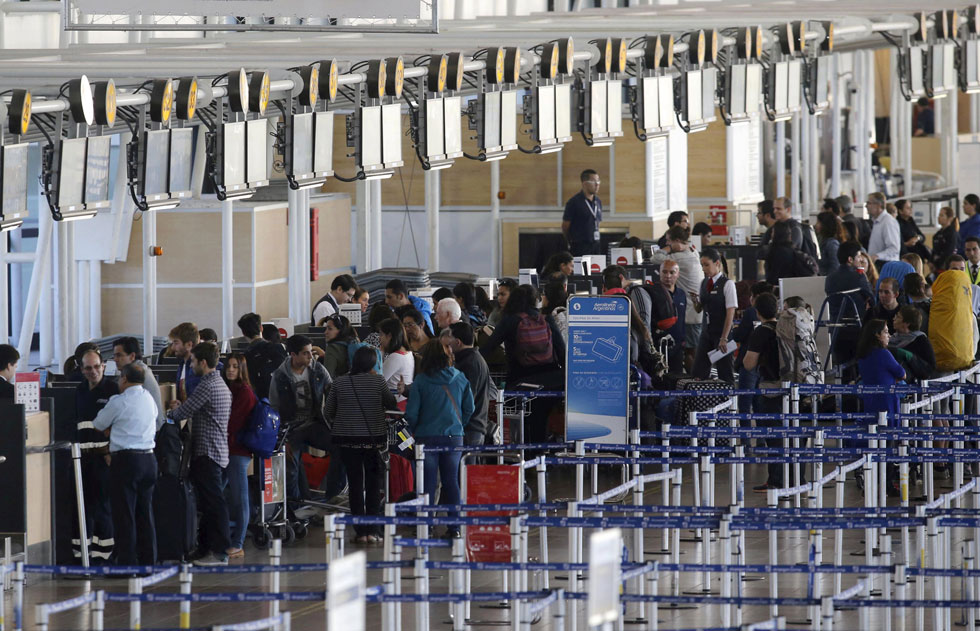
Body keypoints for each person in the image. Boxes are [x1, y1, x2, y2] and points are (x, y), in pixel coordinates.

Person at [165, 343, 233, 567]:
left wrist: (169, 411)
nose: (191, 365)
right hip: (218, 451)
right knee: (209, 503)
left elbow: (183, 413)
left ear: (203, 363)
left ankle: (221, 551)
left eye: (193, 361)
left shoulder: (207, 385)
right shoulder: (220, 384)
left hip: (207, 452)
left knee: (214, 504)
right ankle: (204, 549)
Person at [324, 346, 398, 544]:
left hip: (347, 441)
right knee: (373, 486)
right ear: (373, 363)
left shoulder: (339, 382)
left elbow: (328, 411)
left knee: (355, 486)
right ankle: (372, 530)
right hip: (373, 441)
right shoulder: (378, 381)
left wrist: (344, 422)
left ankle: (360, 531)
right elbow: (392, 404)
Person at [405, 340, 475, 539]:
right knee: (451, 481)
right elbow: (469, 408)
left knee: (427, 483)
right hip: (454, 438)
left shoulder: (421, 381)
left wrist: (415, 429)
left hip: (426, 438)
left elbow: (412, 413)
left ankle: (425, 527)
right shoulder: (459, 378)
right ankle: (455, 528)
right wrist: (459, 424)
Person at [92, 362, 159, 566]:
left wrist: (113, 429)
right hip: (149, 459)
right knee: (145, 513)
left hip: (126, 462)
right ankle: (149, 560)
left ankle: (127, 562)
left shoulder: (118, 402)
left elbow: (98, 423)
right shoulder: (149, 398)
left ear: (124, 379)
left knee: (124, 514)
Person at [481, 285, 565, 443]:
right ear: (535, 301)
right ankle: (539, 459)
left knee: (519, 423)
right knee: (540, 421)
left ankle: (522, 459)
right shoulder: (546, 319)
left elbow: (488, 348)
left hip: (520, 383)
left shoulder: (510, 320)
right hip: (550, 383)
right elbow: (561, 351)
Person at [271, 334, 336, 502]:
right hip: (292, 429)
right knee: (291, 470)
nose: (310, 356)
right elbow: (275, 408)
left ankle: (331, 495)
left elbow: (332, 391)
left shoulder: (317, 369)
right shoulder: (280, 376)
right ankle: (296, 508)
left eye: (310, 352)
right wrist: (281, 437)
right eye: (306, 353)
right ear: (293, 355)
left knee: (341, 448)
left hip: (315, 423)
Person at [75, 348, 119, 563]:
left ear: (103, 366)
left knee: (103, 506)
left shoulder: (113, 390)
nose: (93, 371)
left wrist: (111, 451)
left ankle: (105, 555)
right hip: (81, 459)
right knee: (84, 506)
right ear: (82, 370)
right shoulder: (79, 391)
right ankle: (84, 554)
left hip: (104, 458)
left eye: (96, 367)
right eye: (88, 368)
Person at [738, 293, 783, 491]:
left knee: (773, 436)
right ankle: (795, 479)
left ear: (757, 312)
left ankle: (775, 480)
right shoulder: (784, 327)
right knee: (789, 435)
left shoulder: (761, 332)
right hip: (791, 387)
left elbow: (748, 364)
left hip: (770, 388)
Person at [652, 225, 704, 370]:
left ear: (677, 240)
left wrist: (667, 249)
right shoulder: (693, 252)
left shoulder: (679, 257)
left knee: (689, 351)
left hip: (689, 314)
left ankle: (693, 381)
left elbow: (655, 258)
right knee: (692, 350)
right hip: (695, 312)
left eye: (669, 241)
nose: (667, 244)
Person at [222, 353, 256, 559]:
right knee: (222, 493)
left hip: (237, 451)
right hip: (228, 449)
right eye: (228, 366)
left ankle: (238, 542)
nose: (231, 370)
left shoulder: (244, 392)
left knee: (240, 497)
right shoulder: (231, 389)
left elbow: (233, 422)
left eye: (235, 366)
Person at [825, 241, 875, 379]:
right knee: (860, 370)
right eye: (859, 257)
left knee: (844, 373)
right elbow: (872, 299)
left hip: (836, 329)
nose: (860, 260)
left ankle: (846, 399)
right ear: (850, 259)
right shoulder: (858, 277)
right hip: (856, 329)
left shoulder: (830, 278)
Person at [690, 248, 737, 384]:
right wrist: (695, 301)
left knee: (725, 372)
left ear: (717, 263)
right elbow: (700, 309)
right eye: (702, 265)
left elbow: (730, 313)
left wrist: (724, 338)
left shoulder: (727, 284)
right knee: (698, 371)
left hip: (722, 333)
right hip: (706, 332)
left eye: (706, 265)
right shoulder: (704, 283)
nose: (704, 269)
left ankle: (728, 402)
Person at [444, 322, 492, 446]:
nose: (448, 342)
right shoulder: (471, 359)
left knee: (467, 465)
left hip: (470, 428)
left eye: (450, 337)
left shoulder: (470, 363)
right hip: (471, 426)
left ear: (458, 342)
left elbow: (467, 399)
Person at [856, 319, 905, 427]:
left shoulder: (862, 355)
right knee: (889, 436)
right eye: (886, 332)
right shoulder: (884, 353)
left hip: (869, 401)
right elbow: (902, 374)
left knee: (872, 435)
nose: (889, 336)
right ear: (877, 335)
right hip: (887, 400)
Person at [112, 336, 165, 430]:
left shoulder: (137, 373)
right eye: (114, 355)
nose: (115, 359)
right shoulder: (139, 368)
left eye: (119, 355)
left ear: (132, 356)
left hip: (149, 430)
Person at [237, 312, 287, 400]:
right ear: (261, 328)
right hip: (282, 400)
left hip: (261, 403)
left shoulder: (244, 357)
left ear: (243, 333)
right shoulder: (279, 348)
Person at [889, 306, 936, 381]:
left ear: (907, 323)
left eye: (898, 317)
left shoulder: (921, 340)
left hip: (911, 386)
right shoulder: (891, 338)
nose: (893, 319)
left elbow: (929, 368)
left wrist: (910, 357)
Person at [562, 169, 603, 256]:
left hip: (596, 244)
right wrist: (571, 242)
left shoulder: (598, 201)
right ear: (584, 183)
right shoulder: (574, 202)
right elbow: (565, 226)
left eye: (598, 181)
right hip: (580, 246)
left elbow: (597, 222)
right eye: (593, 181)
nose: (597, 184)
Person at [659, 260, 687, 373]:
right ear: (659, 273)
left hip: (677, 346)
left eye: (672, 272)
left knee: (676, 379)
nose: (668, 276)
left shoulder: (681, 294)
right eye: (664, 272)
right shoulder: (654, 293)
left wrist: (683, 340)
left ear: (678, 274)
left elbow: (682, 318)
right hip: (659, 345)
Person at [378, 318, 414, 403]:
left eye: (381, 334)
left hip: (396, 402)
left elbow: (378, 381)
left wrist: (381, 352)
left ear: (389, 336)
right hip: (403, 400)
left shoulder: (396, 357)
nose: (379, 338)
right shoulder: (408, 352)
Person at [169, 322, 202, 400]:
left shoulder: (200, 368)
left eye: (176, 343)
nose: (172, 348)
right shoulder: (182, 365)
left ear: (189, 345)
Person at [866, 192, 901, 265]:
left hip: (887, 265)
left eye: (869, 203)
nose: (866, 206)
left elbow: (894, 248)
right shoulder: (877, 221)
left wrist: (877, 256)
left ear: (878, 205)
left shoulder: (888, 222)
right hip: (879, 264)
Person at [321, 314, 359, 379]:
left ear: (340, 331)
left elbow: (327, 378)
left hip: (341, 387)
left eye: (330, 329)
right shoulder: (355, 342)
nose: (325, 332)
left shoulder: (332, 348)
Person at [816, 211, 846, 275]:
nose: (816, 225)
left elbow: (835, 266)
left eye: (819, 222)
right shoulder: (824, 241)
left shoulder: (832, 244)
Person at [540, 280, 569, 345]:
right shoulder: (569, 312)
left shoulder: (549, 318)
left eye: (544, 294)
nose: (542, 297)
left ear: (549, 297)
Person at [932, 206, 959, 271]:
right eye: (939, 215)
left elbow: (949, 250)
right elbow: (935, 250)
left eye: (942, 215)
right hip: (937, 265)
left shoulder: (952, 233)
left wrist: (942, 263)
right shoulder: (938, 234)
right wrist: (931, 261)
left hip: (946, 265)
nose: (939, 217)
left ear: (949, 218)